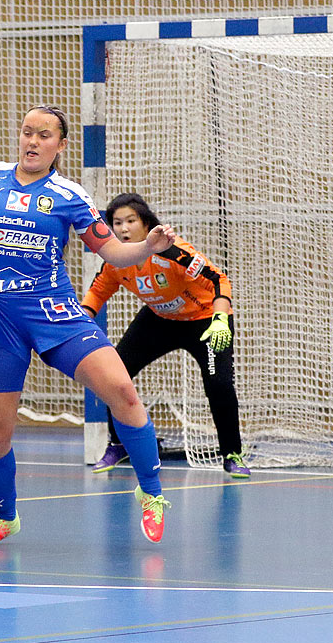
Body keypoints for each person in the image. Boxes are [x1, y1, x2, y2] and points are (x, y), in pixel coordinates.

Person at [0, 105, 179, 546]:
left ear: (60, 146)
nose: (32, 141)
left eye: (44, 135)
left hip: (56, 315)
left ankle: (151, 492)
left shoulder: (69, 195)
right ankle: (4, 517)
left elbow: (114, 253)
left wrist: (147, 248)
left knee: (122, 390)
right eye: (27, 132)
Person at [80, 193, 245, 477]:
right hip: (160, 319)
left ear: (146, 224)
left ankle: (232, 453)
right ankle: (119, 444)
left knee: (219, 385)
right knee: (112, 374)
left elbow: (219, 279)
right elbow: (97, 291)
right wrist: (81, 320)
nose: (123, 229)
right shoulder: (117, 261)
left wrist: (221, 317)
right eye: (117, 223)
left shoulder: (172, 252)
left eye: (131, 221)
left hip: (205, 319)